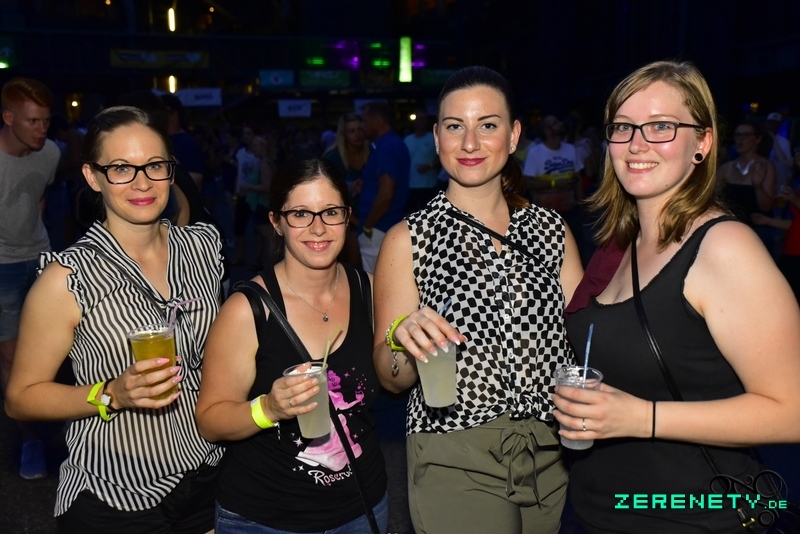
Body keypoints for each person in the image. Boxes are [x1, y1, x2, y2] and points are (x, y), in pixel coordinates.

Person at [556, 60, 800, 533]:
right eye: (623, 127)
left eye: (661, 126)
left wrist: (641, 418)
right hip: (598, 510)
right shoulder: (621, 244)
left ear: (702, 143)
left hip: (695, 517)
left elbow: (792, 412)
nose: (637, 143)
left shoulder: (724, 247)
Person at [373, 66, 583, 533]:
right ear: (436, 137)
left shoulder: (552, 232)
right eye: (455, 126)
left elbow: (587, 343)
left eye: (487, 125)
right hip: (454, 446)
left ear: (514, 135)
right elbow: (391, 378)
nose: (470, 143)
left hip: (551, 449)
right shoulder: (409, 238)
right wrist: (402, 338)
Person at [4, 106, 224, 533]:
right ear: (93, 176)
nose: (142, 182)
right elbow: (21, 396)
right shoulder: (67, 279)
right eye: (121, 168)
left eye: (155, 165)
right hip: (114, 492)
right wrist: (111, 394)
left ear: (171, 171)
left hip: (208, 478)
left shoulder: (203, 248)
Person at [195, 158, 388, 533]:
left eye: (330, 212)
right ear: (276, 222)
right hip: (265, 519)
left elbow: (396, 381)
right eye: (300, 213)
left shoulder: (371, 290)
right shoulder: (247, 310)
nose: (318, 227)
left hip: (362, 508)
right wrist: (268, 408)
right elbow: (210, 422)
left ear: (347, 217)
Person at [0, 77, 60, 480]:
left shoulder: (49, 153)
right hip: (2, 266)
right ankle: (29, 439)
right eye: (32, 121)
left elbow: (39, 196)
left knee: (53, 349)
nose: (42, 130)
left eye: (46, 121)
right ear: (8, 118)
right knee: (9, 356)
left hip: (40, 257)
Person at [522, 114, 587, 263]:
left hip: (570, 210)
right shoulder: (535, 152)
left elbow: (577, 178)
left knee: (576, 252)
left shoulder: (570, 149)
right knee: (547, 255)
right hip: (545, 214)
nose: (560, 124)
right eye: (555, 123)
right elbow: (527, 183)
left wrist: (581, 203)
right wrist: (554, 184)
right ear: (547, 131)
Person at [358, 100, 410, 273]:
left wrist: (368, 225)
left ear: (377, 120)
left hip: (379, 228)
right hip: (386, 226)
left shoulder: (386, 148)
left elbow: (386, 193)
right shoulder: (392, 144)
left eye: (365, 121)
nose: (362, 126)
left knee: (376, 283)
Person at [716, 120, 776, 252]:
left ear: (757, 139)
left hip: (757, 230)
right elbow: (714, 198)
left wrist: (758, 186)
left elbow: (766, 207)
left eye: (745, 135)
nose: (740, 139)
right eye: (737, 135)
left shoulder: (765, 167)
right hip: (730, 229)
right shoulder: (727, 168)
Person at [323, 112, 370, 268]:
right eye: (352, 131)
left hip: (371, 217)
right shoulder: (333, 158)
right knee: (354, 264)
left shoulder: (372, 153)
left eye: (360, 129)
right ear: (343, 134)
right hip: (344, 219)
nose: (357, 134)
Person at [404, 108, 440, 213]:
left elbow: (441, 159)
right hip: (411, 185)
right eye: (419, 119)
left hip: (429, 185)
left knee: (429, 214)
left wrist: (429, 166)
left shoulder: (433, 138)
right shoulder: (407, 140)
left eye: (424, 119)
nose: (421, 122)